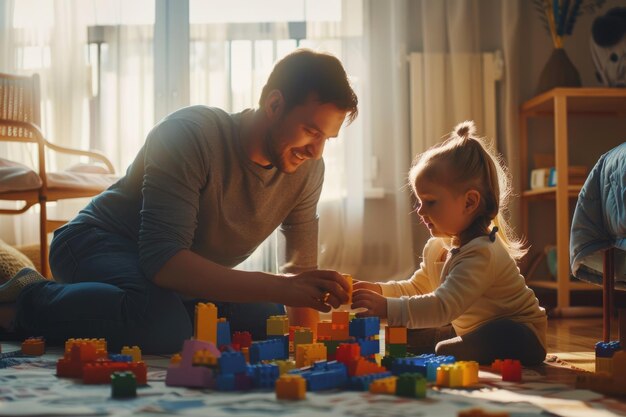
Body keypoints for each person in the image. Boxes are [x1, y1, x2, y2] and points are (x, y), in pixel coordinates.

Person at [0, 49, 357, 354]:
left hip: (174, 270)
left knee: (267, 319)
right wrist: (286, 287)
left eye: (327, 138)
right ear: (275, 104)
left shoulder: (309, 169)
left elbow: (298, 275)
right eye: (311, 131)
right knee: (163, 327)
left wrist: (303, 348)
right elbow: (164, 261)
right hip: (97, 242)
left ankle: (133, 306)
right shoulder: (190, 134)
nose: (316, 150)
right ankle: (26, 301)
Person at [351, 121, 547, 365]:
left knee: (456, 344)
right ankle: (451, 345)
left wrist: (387, 308)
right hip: (472, 331)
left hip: (520, 334)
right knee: (408, 333)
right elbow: (416, 288)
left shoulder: (481, 252)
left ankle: (450, 348)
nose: (420, 211)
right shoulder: (437, 247)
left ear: (469, 203)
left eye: (430, 202)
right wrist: (378, 291)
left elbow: (443, 306)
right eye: (419, 201)